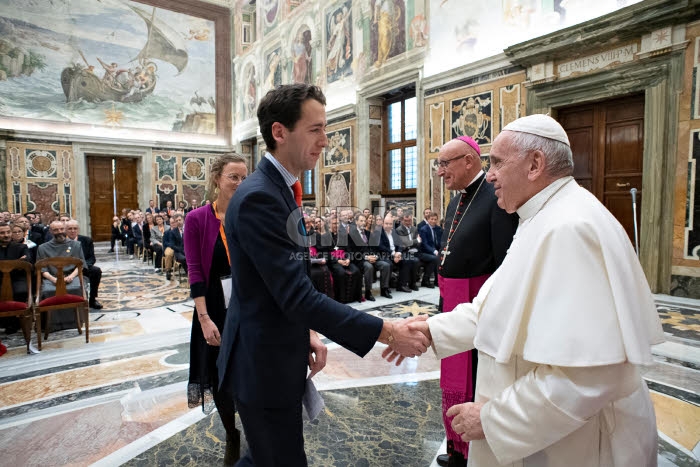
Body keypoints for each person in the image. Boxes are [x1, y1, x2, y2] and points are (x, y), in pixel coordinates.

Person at [385, 114, 665, 466]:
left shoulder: (569, 228)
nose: (489, 175)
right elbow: (498, 308)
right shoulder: (541, 216)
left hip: (574, 444)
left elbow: (587, 375)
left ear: (535, 164)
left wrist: (492, 419)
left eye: (498, 163)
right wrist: (432, 329)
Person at [217, 83, 429, 466]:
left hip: (274, 350)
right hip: (261, 363)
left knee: (269, 457)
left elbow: (279, 284)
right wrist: (389, 331)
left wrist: (308, 331)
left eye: (325, 129)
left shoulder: (280, 190)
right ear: (280, 132)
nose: (326, 141)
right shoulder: (261, 196)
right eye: (315, 130)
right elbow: (296, 296)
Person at [429, 135, 519, 466]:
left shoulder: (495, 198)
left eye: (444, 163)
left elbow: (503, 264)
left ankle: (473, 453)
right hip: (452, 302)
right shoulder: (456, 201)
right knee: (453, 381)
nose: (440, 172)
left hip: (479, 308)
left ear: (469, 161)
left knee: (477, 383)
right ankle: (455, 448)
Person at [184, 153, 247, 465]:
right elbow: (195, 271)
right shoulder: (197, 219)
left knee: (249, 372)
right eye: (233, 177)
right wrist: (204, 318)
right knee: (220, 376)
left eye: (244, 178)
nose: (239, 183)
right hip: (215, 310)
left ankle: (253, 427)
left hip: (248, 308)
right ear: (217, 180)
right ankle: (231, 433)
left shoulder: (249, 215)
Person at [36, 221, 87, 332]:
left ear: (65, 229)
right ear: (50, 231)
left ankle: (76, 322)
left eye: (61, 229)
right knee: (47, 292)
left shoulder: (76, 245)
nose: (60, 232)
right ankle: (52, 325)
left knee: (76, 288)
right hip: (51, 278)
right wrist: (54, 279)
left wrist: (72, 277)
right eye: (55, 230)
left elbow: (80, 265)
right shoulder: (43, 248)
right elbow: (42, 269)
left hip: (71, 277)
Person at [65, 220, 103, 310]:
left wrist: (83, 266)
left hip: (84, 267)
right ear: (65, 230)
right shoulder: (62, 242)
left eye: (75, 228)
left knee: (96, 271)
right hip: (67, 268)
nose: (72, 231)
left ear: (78, 229)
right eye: (70, 229)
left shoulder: (86, 240)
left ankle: (92, 299)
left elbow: (92, 258)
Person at [163, 213, 186, 280]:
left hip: (179, 245)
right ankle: (168, 270)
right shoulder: (167, 232)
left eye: (174, 222)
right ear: (169, 223)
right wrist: (171, 245)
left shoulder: (181, 229)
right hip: (170, 246)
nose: (173, 224)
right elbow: (165, 242)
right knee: (169, 254)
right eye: (172, 223)